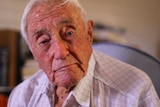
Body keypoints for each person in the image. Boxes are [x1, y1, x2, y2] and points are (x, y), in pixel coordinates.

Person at [8, 0, 160, 107]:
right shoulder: (21, 97)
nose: (60, 52)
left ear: (89, 33)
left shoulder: (136, 92)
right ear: (33, 53)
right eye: (43, 41)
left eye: (69, 33)